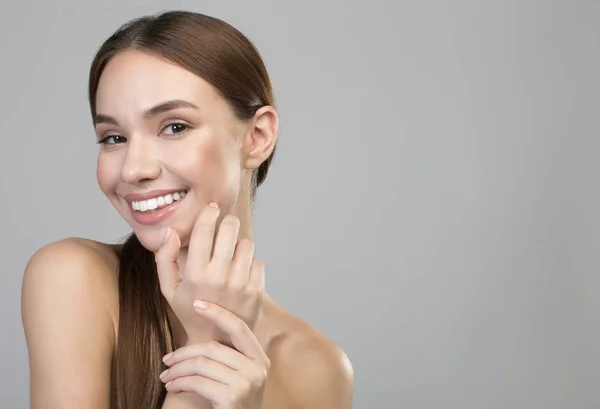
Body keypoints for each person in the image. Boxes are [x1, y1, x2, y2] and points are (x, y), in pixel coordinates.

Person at [21, 10, 354, 409]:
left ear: (257, 137)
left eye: (174, 126)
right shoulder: (71, 278)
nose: (134, 168)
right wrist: (198, 380)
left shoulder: (316, 367)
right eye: (113, 137)